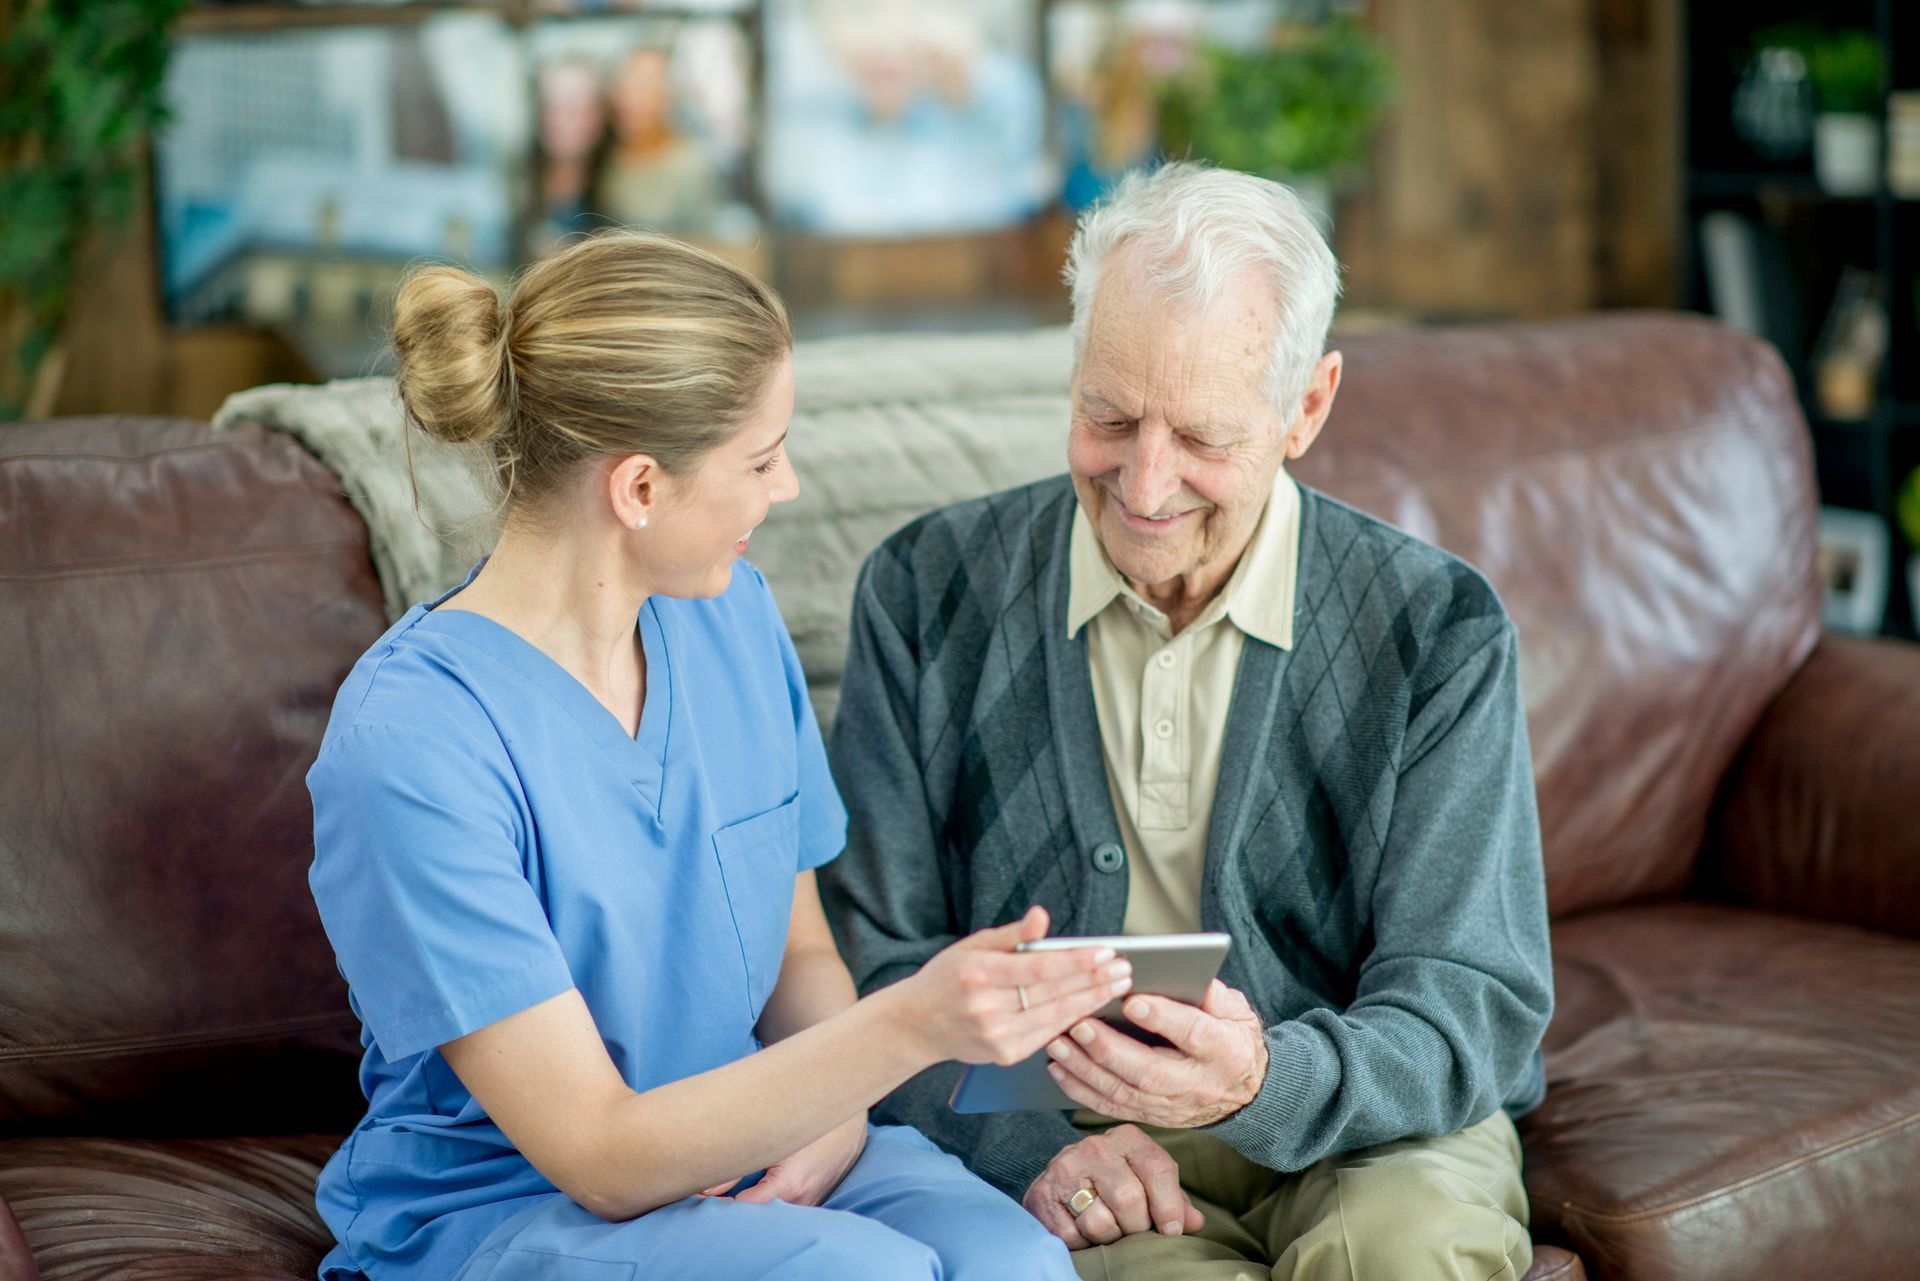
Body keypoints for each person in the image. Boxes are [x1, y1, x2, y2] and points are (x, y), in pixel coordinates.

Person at [305, 232, 1122, 1281]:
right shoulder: (412, 744)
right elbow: (598, 1153)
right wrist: (912, 1027)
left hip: (759, 1137)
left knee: (1020, 1265)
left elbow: (799, 958)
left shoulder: (733, 619)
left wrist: (831, 1122)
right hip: (521, 1205)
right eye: (760, 458)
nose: (786, 489)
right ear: (639, 487)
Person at [818, 164, 1555, 1281]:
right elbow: (871, 965)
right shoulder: (924, 593)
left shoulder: (1436, 628)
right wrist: (1017, 1149)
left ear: (1307, 406)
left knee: (1408, 1256)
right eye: (1107, 415)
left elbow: (1477, 1006)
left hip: (1365, 1124)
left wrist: (1265, 1083)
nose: (1145, 485)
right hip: (1076, 1141)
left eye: (1204, 437)